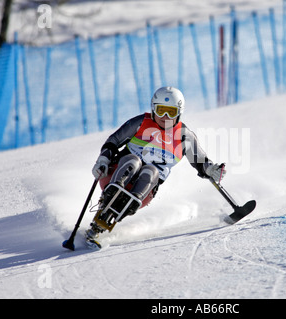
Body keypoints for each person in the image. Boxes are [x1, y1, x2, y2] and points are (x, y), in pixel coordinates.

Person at [86, 87, 226, 246]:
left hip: (145, 190)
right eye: (161, 111)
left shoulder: (184, 135)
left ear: (179, 113)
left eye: (171, 112)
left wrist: (211, 170)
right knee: (133, 160)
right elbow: (113, 141)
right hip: (114, 173)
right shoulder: (141, 122)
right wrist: (103, 160)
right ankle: (114, 191)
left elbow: (201, 162)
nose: (165, 117)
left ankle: (127, 204)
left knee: (151, 171)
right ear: (153, 109)